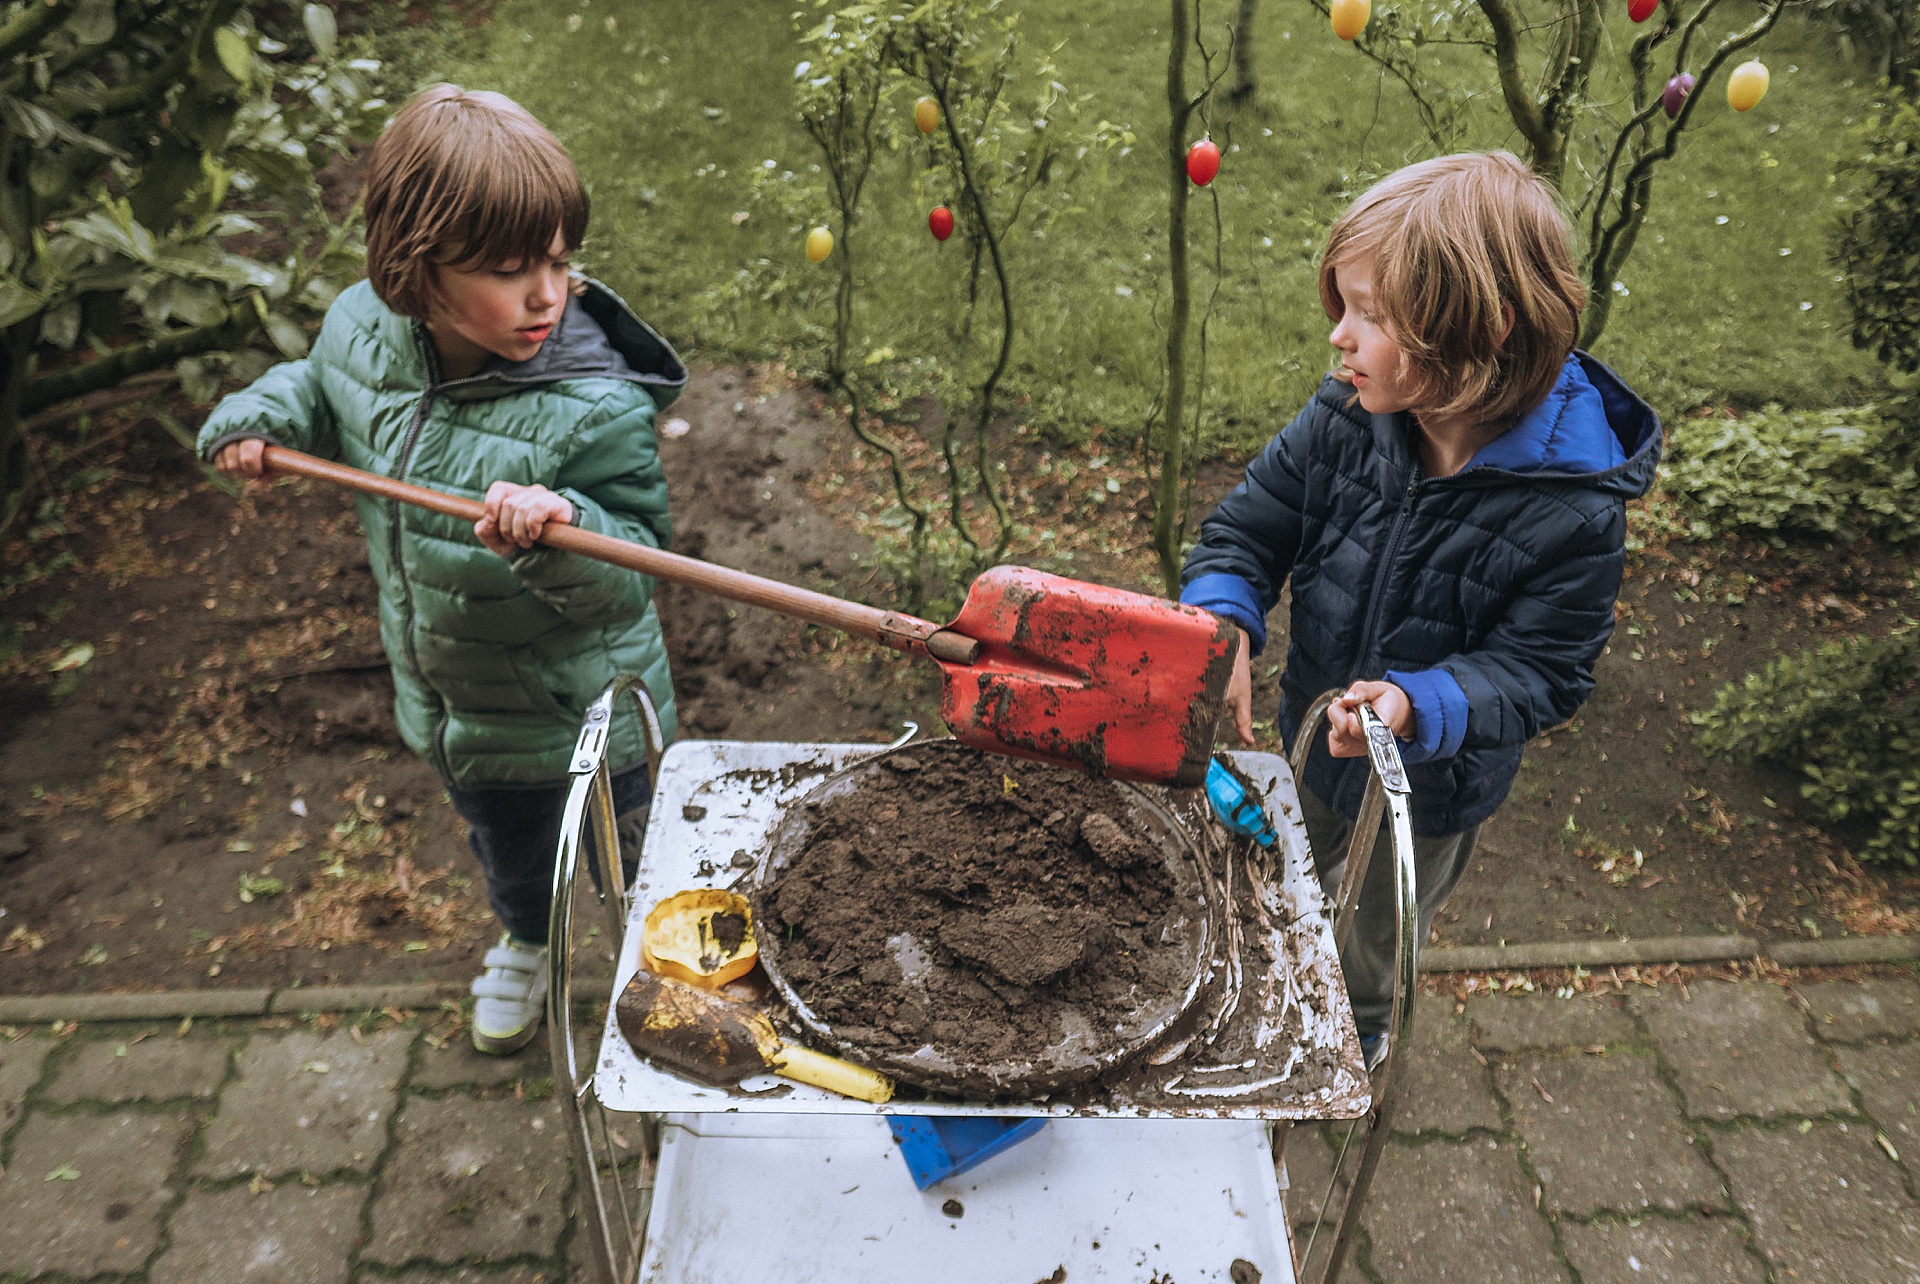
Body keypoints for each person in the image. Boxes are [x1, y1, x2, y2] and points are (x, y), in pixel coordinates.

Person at [199, 85, 686, 1054]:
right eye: (511, 270)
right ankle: (525, 939)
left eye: (558, 259)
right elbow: (322, 385)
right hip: (458, 701)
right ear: (413, 272)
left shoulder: (594, 409)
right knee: (509, 851)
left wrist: (565, 525)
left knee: (637, 862)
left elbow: (632, 571)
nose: (547, 293)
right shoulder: (361, 327)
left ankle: (675, 971)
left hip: (581, 712)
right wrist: (263, 419)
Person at [1180, 152, 1660, 1066]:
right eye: (1343, 306)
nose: (1339, 339)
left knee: (1373, 934)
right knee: (1292, 869)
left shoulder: (1573, 510)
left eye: (1371, 316)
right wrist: (1221, 622)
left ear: (1478, 333)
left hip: (1428, 792)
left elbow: (1545, 669)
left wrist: (1419, 705)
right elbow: (1246, 530)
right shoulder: (1347, 418)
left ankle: (1352, 1041)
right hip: (1316, 734)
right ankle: (1281, 980)